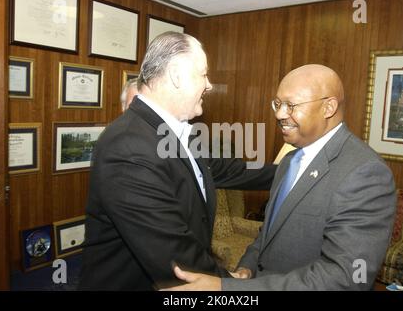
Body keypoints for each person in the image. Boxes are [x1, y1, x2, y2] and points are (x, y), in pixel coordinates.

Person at [165, 64, 397, 291]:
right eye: (277, 104)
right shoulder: (289, 162)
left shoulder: (365, 172)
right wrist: (247, 269)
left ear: (328, 108)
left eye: (291, 105)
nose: (279, 114)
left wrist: (227, 288)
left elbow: (345, 278)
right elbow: (268, 234)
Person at [78, 32, 276, 290]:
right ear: (176, 75)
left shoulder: (174, 131)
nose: (209, 85)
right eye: (203, 74)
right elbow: (176, 257)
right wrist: (232, 286)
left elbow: (227, 170)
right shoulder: (129, 149)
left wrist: (289, 171)